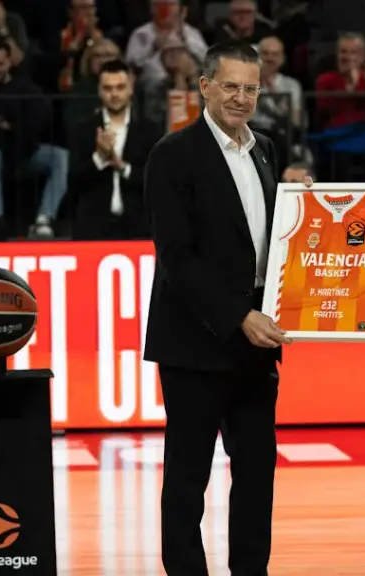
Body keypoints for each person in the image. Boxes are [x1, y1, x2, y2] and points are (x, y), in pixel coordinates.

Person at [142, 40, 286, 576]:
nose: (241, 97)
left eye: (251, 88)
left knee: (257, 474)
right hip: (194, 343)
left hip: (256, 344)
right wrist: (238, 317)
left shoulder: (267, 148)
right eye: (230, 86)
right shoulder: (172, 154)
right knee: (188, 479)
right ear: (205, 87)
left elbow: (278, 238)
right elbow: (177, 259)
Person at [70, 59, 162, 240]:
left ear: (130, 89)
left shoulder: (149, 130)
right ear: (99, 91)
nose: (114, 94)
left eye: (120, 87)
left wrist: (123, 168)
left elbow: (157, 180)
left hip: (138, 230)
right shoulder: (84, 130)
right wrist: (99, 158)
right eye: (108, 88)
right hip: (93, 231)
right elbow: (73, 181)